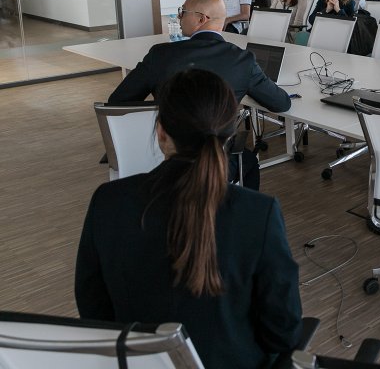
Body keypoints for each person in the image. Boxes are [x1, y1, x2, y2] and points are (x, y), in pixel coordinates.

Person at [77, 69, 303, 369]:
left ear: (160, 131)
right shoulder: (258, 213)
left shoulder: (108, 202)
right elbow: (283, 332)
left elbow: (94, 309)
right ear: (231, 131)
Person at [108, 0, 291, 114]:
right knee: (249, 163)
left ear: (201, 19)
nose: (179, 17)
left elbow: (118, 102)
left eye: (183, 12)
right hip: (220, 161)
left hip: (167, 155)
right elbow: (281, 103)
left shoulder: (160, 55)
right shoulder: (242, 60)